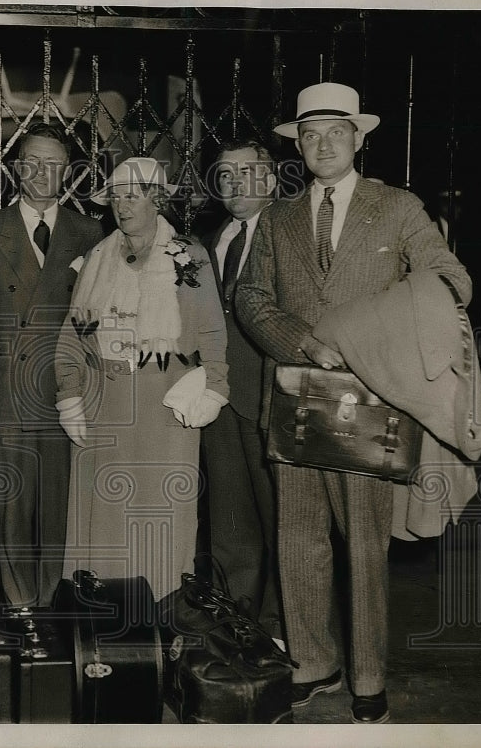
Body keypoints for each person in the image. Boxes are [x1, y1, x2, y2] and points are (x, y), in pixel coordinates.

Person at [235, 82, 471, 724]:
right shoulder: (278, 217)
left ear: (359, 138)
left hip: (371, 399)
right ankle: (314, 663)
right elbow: (250, 298)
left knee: (365, 544)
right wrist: (304, 342)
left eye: (335, 131)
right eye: (309, 135)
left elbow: (452, 280)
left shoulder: (397, 208)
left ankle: (369, 677)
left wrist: (367, 336)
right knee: (300, 539)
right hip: (295, 392)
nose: (322, 143)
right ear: (298, 146)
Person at [55, 156, 228, 602]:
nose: (122, 206)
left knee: (161, 511)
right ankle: (104, 616)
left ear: (157, 200)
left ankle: (160, 616)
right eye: (115, 196)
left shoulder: (189, 256)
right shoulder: (96, 257)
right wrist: (69, 394)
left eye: (133, 196)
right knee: (106, 513)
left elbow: (211, 330)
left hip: (165, 400)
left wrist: (215, 387)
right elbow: (73, 334)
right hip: (106, 400)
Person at [0, 122, 104, 607]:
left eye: (53, 163)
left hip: (63, 390)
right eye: (31, 161)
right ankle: (18, 604)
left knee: (58, 506)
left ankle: (52, 602)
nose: (41, 172)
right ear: (15, 167)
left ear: (67, 170)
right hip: (4, 387)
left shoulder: (89, 232)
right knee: (10, 507)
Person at [198, 139, 282, 641]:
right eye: (225, 174)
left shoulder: (288, 233)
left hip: (272, 395)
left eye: (246, 172)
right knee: (228, 521)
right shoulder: (208, 242)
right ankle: (235, 623)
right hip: (220, 397)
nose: (234, 182)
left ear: (271, 181)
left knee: (281, 522)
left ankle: (278, 627)